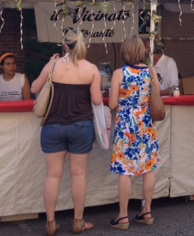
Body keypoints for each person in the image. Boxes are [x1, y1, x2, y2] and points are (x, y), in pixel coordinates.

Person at [30, 29, 102, 236]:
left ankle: (51, 223)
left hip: (53, 125)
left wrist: (50, 64)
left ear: (65, 47)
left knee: (53, 176)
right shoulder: (92, 69)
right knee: (78, 175)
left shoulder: (53, 65)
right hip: (81, 125)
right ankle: (78, 221)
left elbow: (35, 87)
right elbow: (97, 100)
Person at [109, 35, 161, 230]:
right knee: (149, 167)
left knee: (125, 169)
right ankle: (147, 211)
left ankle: (123, 216)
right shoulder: (151, 72)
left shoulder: (119, 74)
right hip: (146, 124)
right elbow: (155, 96)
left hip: (126, 126)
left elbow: (113, 103)